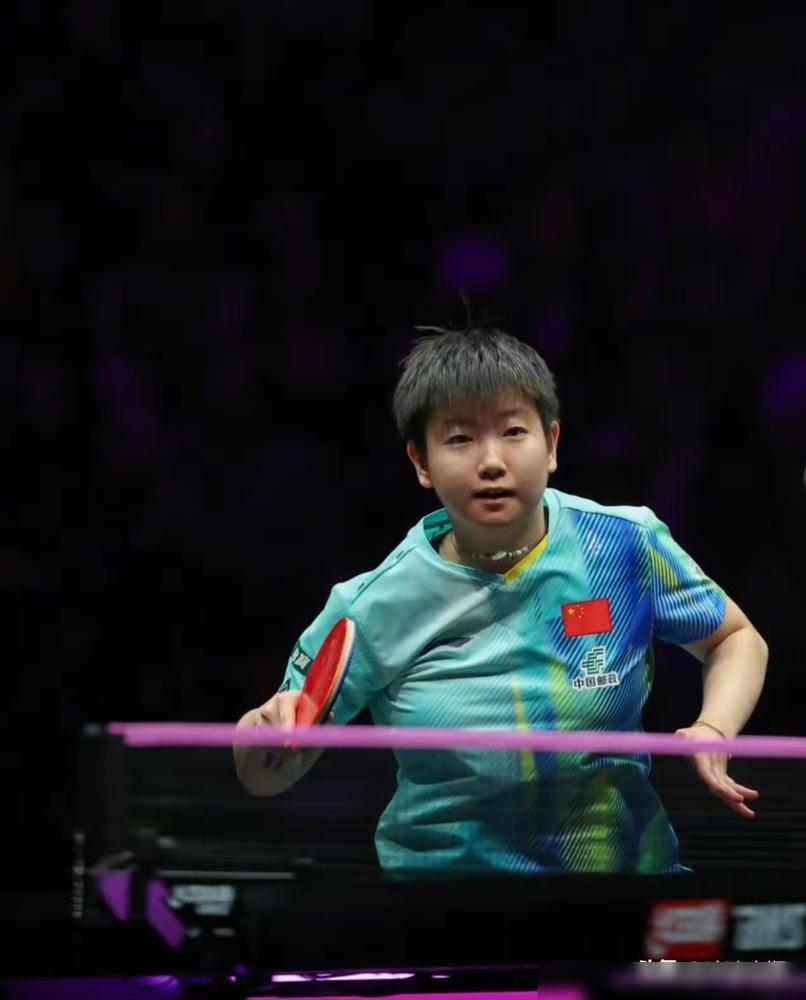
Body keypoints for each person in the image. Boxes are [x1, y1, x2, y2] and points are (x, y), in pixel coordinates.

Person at [234, 325, 768, 875]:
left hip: (623, 888)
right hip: (447, 903)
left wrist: (714, 729)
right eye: (460, 439)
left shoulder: (622, 545)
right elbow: (264, 775)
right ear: (421, 462)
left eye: (513, 431)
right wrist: (265, 733)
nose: (491, 461)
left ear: (551, 444)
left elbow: (735, 638)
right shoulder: (373, 604)